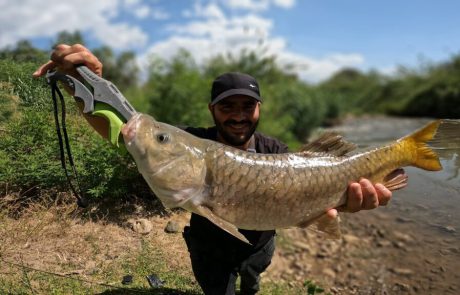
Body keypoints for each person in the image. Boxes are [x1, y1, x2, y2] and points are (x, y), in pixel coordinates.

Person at [34, 44, 402, 295]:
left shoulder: (275, 150)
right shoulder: (194, 141)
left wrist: (340, 203)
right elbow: (126, 135)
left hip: (259, 244)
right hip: (208, 250)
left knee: (252, 283)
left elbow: (308, 197)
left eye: (248, 106)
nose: (239, 115)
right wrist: (83, 82)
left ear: (259, 109)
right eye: (228, 107)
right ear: (212, 110)